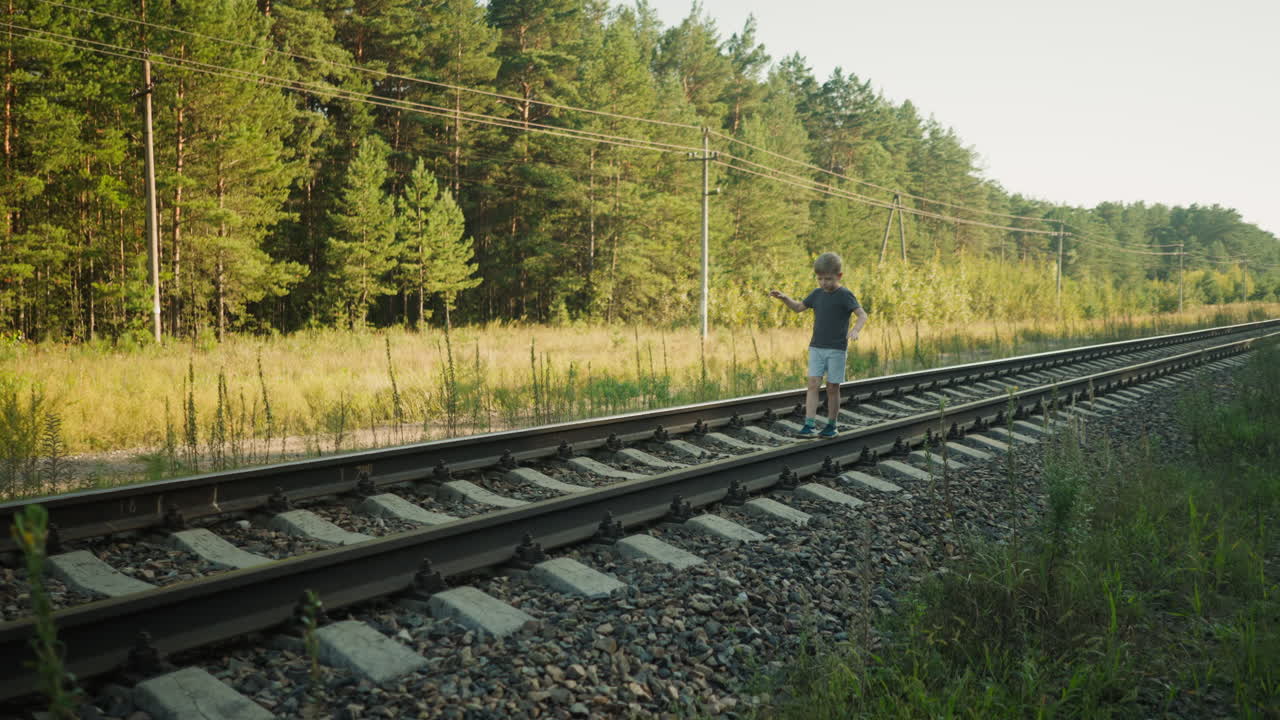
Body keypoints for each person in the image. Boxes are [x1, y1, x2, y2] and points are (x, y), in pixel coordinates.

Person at [769, 252, 869, 438]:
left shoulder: (845, 295)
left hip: (837, 349)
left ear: (839, 276)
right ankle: (809, 424)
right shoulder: (816, 294)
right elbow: (799, 308)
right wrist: (784, 298)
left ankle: (832, 425)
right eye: (820, 278)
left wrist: (855, 330)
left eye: (828, 279)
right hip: (816, 347)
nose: (823, 283)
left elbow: (862, 315)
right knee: (813, 383)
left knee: (832, 387)